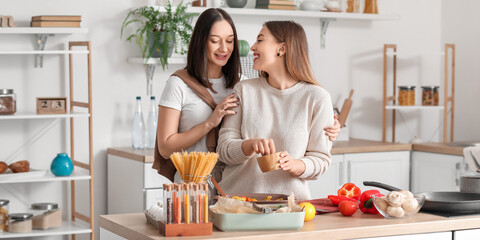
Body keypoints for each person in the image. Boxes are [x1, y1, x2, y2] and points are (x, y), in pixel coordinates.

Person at [154, 9, 339, 183]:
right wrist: (210, 123)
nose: (224, 48)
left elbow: (278, 108)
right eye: (215, 40)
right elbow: (165, 148)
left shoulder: (241, 84)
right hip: (193, 182)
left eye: (229, 41)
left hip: (228, 184)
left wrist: (327, 125)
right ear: (201, 41)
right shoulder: (179, 84)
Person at [217, 21, 334, 200]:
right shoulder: (244, 90)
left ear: (282, 48)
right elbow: (223, 150)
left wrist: (296, 165)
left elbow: (321, 159)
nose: (253, 47)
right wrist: (248, 146)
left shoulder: (318, 98)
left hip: (289, 208)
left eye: (260, 40)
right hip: (236, 206)